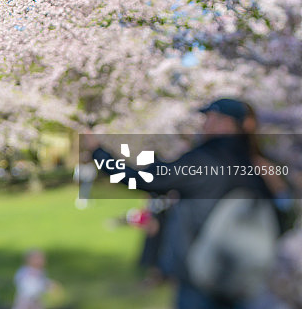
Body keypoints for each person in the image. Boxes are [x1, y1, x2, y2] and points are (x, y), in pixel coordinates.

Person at [89, 98, 280, 309]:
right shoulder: (258, 164)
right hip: (243, 275)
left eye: (209, 119)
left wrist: (98, 152)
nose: (203, 125)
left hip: (198, 273)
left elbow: (143, 179)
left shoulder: (203, 160)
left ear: (224, 123)